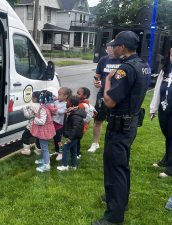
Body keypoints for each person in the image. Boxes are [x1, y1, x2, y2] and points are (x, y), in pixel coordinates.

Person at [92, 31, 149, 225]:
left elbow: (109, 101)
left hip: (119, 126)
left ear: (122, 47)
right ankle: (119, 201)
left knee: (114, 168)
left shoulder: (124, 70)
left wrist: (108, 81)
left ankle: (114, 217)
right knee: (122, 165)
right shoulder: (142, 65)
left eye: (115, 45)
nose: (112, 48)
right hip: (130, 123)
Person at [88, 40, 121, 153]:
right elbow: (97, 76)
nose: (110, 52)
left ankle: (113, 145)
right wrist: (96, 82)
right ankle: (95, 143)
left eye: (112, 50)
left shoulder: (123, 61)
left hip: (117, 94)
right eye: (108, 50)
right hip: (102, 94)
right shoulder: (103, 60)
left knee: (114, 121)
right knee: (98, 120)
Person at [150, 47, 172, 178]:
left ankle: (170, 167)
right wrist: (153, 108)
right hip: (164, 109)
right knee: (168, 135)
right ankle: (167, 159)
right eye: (171, 55)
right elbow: (158, 89)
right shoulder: (165, 71)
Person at [57, 95, 86, 171]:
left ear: (71, 104)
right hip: (73, 136)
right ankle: (73, 166)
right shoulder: (72, 111)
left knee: (64, 148)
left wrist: (70, 138)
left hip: (72, 136)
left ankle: (64, 166)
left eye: (68, 101)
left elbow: (75, 128)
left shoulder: (76, 115)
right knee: (73, 150)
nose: (66, 102)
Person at [31, 90, 57, 173]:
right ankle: (44, 159)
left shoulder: (43, 108)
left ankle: (46, 165)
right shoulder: (50, 106)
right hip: (48, 129)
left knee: (44, 148)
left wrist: (34, 117)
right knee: (44, 147)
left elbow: (42, 121)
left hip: (43, 131)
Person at [53, 87, 72, 161]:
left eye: (59, 94)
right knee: (55, 138)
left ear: (65, 96)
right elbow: (51, 105)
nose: (58, 96)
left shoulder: (66, 104)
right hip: (54, 123)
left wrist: (54, 109)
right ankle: (57, 151)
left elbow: (61, 112)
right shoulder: (57, 102)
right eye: (58, 94)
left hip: (60, 125)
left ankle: (61, 153)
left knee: (58, 139)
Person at [21, 91, 41, 155]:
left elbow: (28, 116)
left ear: (35, 99)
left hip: (31, 126)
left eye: (32, 97)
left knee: (25, 136)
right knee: (38, 138)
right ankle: (38, 151)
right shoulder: (43, 105)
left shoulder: (32, 106)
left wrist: (24, 109)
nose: (32, 99)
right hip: (40, 126)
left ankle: (26, 150)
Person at [76, 87, 93, 158]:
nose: (76, 95)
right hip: (81, 125)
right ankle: (76, 152)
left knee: (76, 140)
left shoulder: (82, 105)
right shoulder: (85, 104)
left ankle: (77, 153)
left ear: (85, 96)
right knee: (76, 140)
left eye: (78, 93)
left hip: (80, 126)